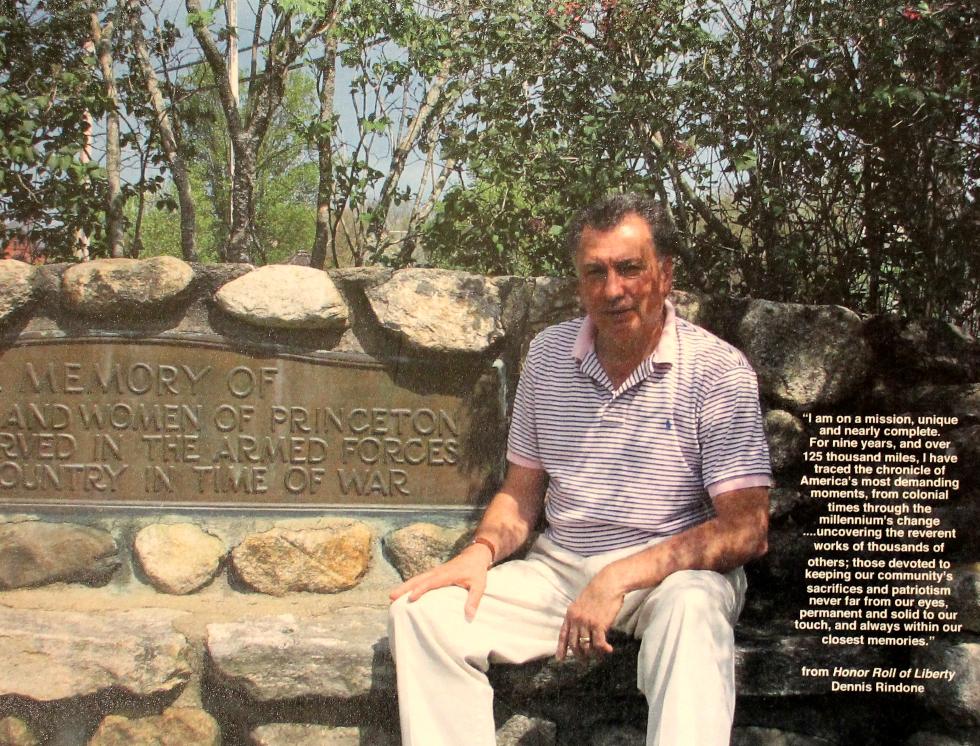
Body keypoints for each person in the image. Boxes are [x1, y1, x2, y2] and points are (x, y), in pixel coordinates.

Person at [388, 192, 771, 746]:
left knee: (695, 611)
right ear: (579, 283)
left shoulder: (717, 372)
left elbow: (746, 530)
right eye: (596, 272)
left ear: (665, 274)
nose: (613, 289)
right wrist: (480, 552)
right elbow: (521, 495)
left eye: (630, 268)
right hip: (559, 570)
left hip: (669, 577)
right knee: (421, 616)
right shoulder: (548, 356)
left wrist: (616, 578)